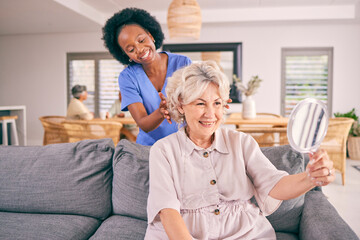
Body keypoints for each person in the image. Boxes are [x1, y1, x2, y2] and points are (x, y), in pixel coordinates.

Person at [145, 61, 335, 239]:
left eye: (217, 103)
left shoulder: (241, 142)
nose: (210, 114)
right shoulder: (163, 151)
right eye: (200, 103)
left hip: (245, 233)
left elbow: (274, 185)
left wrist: (310, 178)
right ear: (180, 105)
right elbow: (167, 211)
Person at [102, 8, 191, 146]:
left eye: (141, 40)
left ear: (151, 35)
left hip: (185, 143)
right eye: (130, 49)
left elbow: (197, 103)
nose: (139, 49)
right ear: (126, 55)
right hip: (150, 148)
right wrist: (162, 111)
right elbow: (143, 123)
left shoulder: (183, 63)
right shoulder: (128, 77)